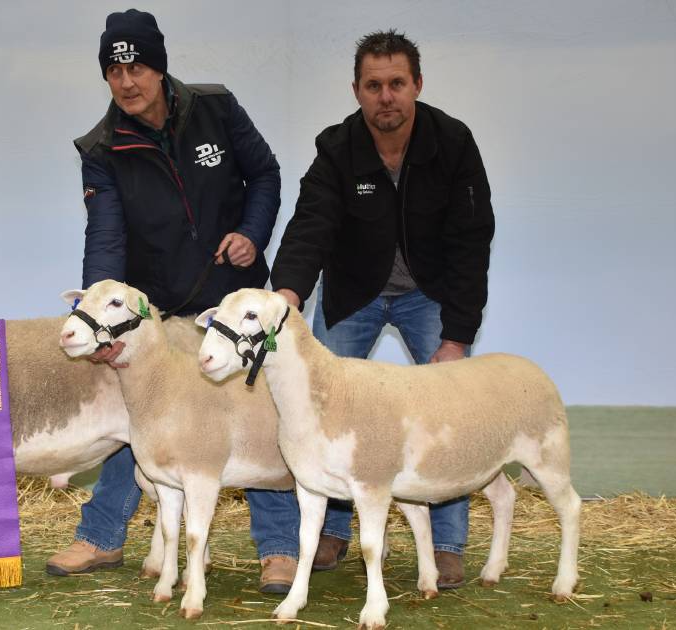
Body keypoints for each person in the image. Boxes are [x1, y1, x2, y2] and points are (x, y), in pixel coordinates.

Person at [47, 8, 302, 593]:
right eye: (114, 70)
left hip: (233, 300)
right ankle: (103, 535)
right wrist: (103, 322)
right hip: (157, 309)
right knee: (134, 415)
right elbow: (105, 235)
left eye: (136, 66)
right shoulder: (101, 147)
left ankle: (280, 549)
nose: (127, 81)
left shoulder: (218, 106)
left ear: (159, 67)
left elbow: (264, 173)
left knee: (261, 411)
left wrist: (252, 235)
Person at [269, 29, 496, 589]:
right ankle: (335, 531)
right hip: (355, 292)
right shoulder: (335, 147)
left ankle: (446, 544)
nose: (386, 96)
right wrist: (286, 298)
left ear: (417, 84)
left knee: (451, 414)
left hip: (431, 294)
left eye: (397, 83)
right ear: (356, 90)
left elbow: (472, 241)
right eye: (374, 86)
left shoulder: (453, 142)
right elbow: (309, 228)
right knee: (328, 409)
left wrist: (456, 337)